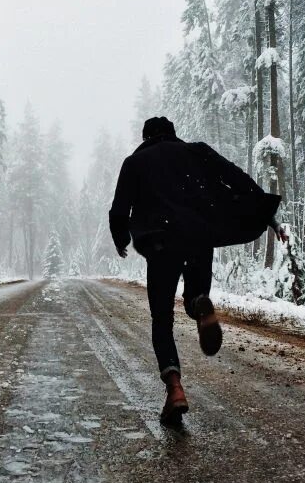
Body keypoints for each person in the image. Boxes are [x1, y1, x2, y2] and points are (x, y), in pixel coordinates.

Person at [109, 116, 287, 429]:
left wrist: (121, 239)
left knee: (161, 319)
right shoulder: (196, 152)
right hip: (197, 237)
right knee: (195, 293)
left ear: (146, 137)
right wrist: (267, 215)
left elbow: (119, 209)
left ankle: (175, 388)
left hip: (160, 243)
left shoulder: (135, 162)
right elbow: (237, 178)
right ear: (173, 135)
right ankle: (199, 304)